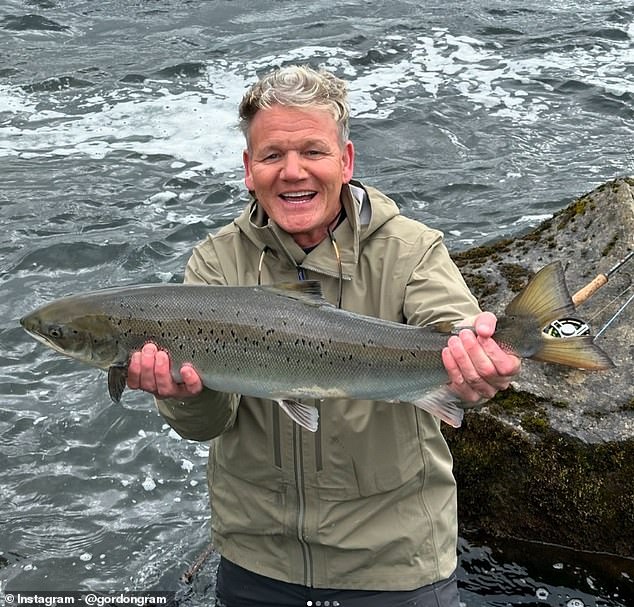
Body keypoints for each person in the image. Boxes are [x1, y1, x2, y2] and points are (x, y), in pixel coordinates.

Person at [127, 65, 520, 607]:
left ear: (346, 160)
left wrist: (475, 364)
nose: (292, 172)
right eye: (271, 156)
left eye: (312, 151)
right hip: (256, 561)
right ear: (248, 169)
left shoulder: (412, 249)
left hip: (395, 566)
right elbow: (209, 424)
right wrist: (183, 398)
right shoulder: (216, 262)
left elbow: (452, 327)